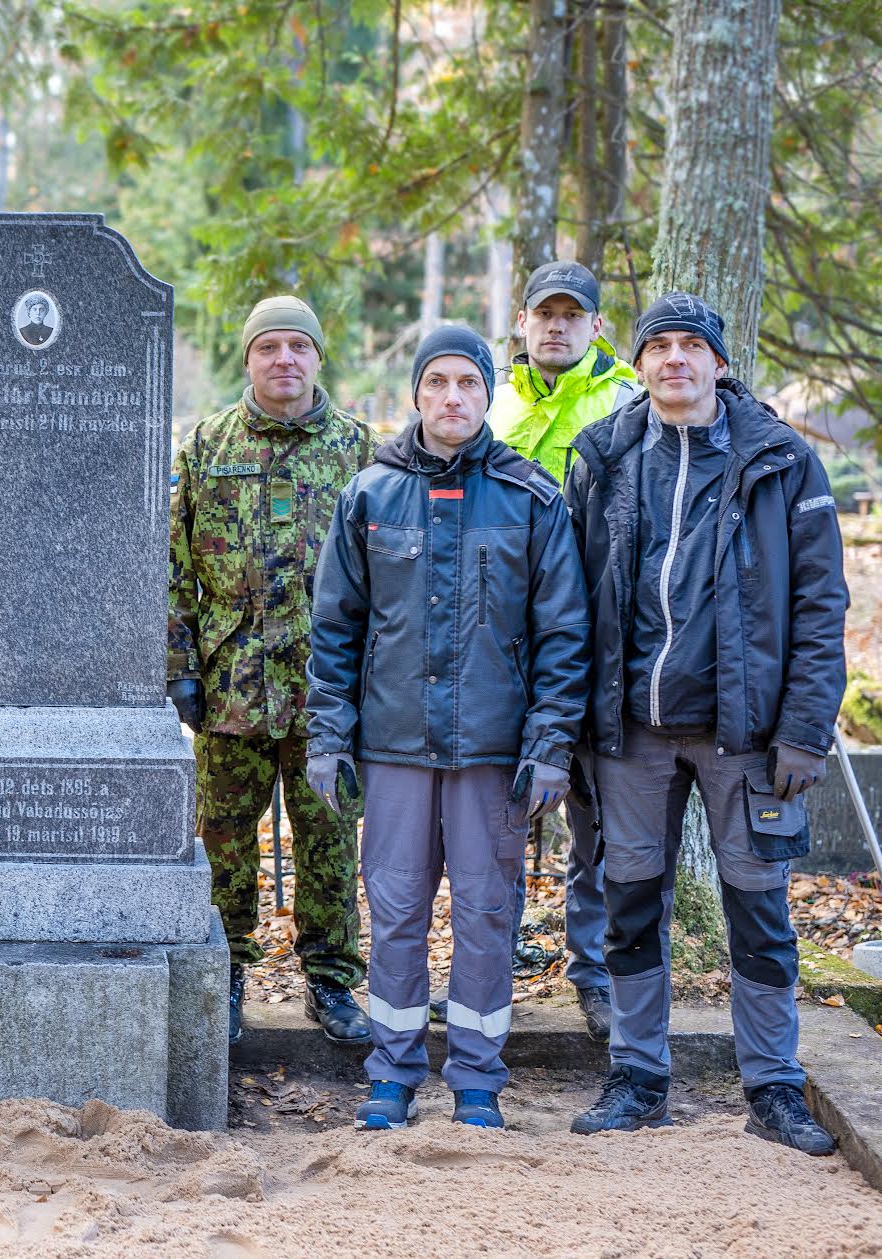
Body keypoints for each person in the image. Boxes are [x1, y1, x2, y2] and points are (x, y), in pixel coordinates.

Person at [565, 293, 847, 1155]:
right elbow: (568, 599)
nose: (676, 360)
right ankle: (639, 1077)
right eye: (661, 346)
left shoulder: (782, 462)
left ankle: (772, 1084)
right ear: (639, 362)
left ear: (721, 363)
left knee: (759, 911)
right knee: (631, 906)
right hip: (632, 734)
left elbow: (820, 602)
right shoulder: (603, 456)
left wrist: (804, 727)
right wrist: (575, 726)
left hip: (748, 735)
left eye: (693, 346)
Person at [306, 325, 589, 1131]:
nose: (453, 397)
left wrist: (549, 744)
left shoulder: (532, 498)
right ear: (418, 394)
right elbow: (335, 626)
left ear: (488, 392)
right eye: (438, 382)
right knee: (394, 909)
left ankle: (475, 1077)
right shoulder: (369, 495)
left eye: (469, 382)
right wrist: (329, 735)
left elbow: (564, 636)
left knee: (486, 911)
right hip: (393, 746)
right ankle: (391, 1073)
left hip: (493, 752)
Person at [168, 295, 373, 1047]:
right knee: (223, 840)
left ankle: (331, 979)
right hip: (231, 688)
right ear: (248, 357)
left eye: (298, 346)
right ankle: (224, 971)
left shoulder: (358, 448)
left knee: (328, 839)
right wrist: (182, 665)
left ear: (318, 357)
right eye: (269, 347)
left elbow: (384, 573)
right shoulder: (207, 444)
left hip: (328, 693)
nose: (284, 359)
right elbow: (173, 564)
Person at [483, 259, 638, 1038]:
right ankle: (489, 969)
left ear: (597, 327)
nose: (556, 325)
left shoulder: (628, 401)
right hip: (504, 643)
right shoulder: (490, 400)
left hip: (605, 646)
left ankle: (597, 973)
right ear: (521, 322)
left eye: (573, 314)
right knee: (498, 818)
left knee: (601, 823)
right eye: (544, 312)